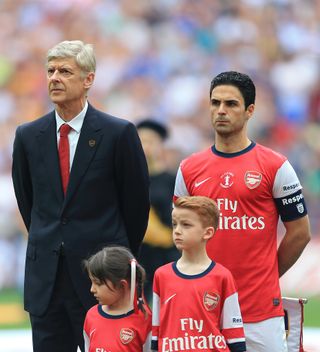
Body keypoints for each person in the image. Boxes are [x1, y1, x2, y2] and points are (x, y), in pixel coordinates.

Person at [11, 40, 150, 352]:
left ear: (89, 79)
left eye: (65, 71)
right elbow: (28, 202)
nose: (54, 78)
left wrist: (115, 264)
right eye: (50, 71)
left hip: (103, 278)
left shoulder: (118, 134)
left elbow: (137, 208)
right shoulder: (28, 136)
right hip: (46, 279)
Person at [174, 71, 311, 351]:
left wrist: (268, 275)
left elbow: (300, 233)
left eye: (231, 104)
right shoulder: (189, 169)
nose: (221, 110)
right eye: (215, 103)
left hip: (260, 314)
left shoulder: (275, 166)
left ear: (250, 111)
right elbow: (181, 234)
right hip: (203, 312)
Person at [151, 196, 246, 352]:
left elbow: (234, 335)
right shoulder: (161, 275)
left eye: (186, 225)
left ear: (207, 232)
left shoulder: (222, 276)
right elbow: (156, 335)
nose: (177, 231)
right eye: (175, 224)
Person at [136, 118, 179, 303]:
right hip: (138, 258)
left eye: (150, 141)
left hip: (168, 255)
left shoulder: (173, 180)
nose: (145, 147)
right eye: (141, 140)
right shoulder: (129, 179)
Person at [83, 246, 152, 351]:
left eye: (98, 283)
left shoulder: (144, 319)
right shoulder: (91, 316)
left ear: (122, 285)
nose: (92, 289)